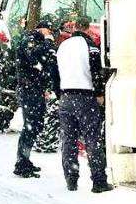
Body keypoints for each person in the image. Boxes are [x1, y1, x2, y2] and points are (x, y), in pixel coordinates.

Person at [55, 21, 113, 193]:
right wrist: (100, 93)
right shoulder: (90, 46)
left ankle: (71, 180)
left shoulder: (62, 46)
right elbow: (96, 71)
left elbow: (54, 72)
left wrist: (60, 94)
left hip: (66, 97)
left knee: (68, 141)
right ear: (87, 28)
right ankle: (99, 181)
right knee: (92, 139)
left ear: (74, 29)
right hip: (85, 97)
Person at [12, 15, 60, 178]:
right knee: (30, 125)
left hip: (37, 90)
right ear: (42, 28)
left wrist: (48, 87)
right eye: (49, 30)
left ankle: (25, 160)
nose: (51, 33)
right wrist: (47, 41)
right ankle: (21, 163)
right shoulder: (29, 39)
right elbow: (33, 57)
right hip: (28, 89)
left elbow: (47, 65)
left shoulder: (41, 43)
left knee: (36, 125)